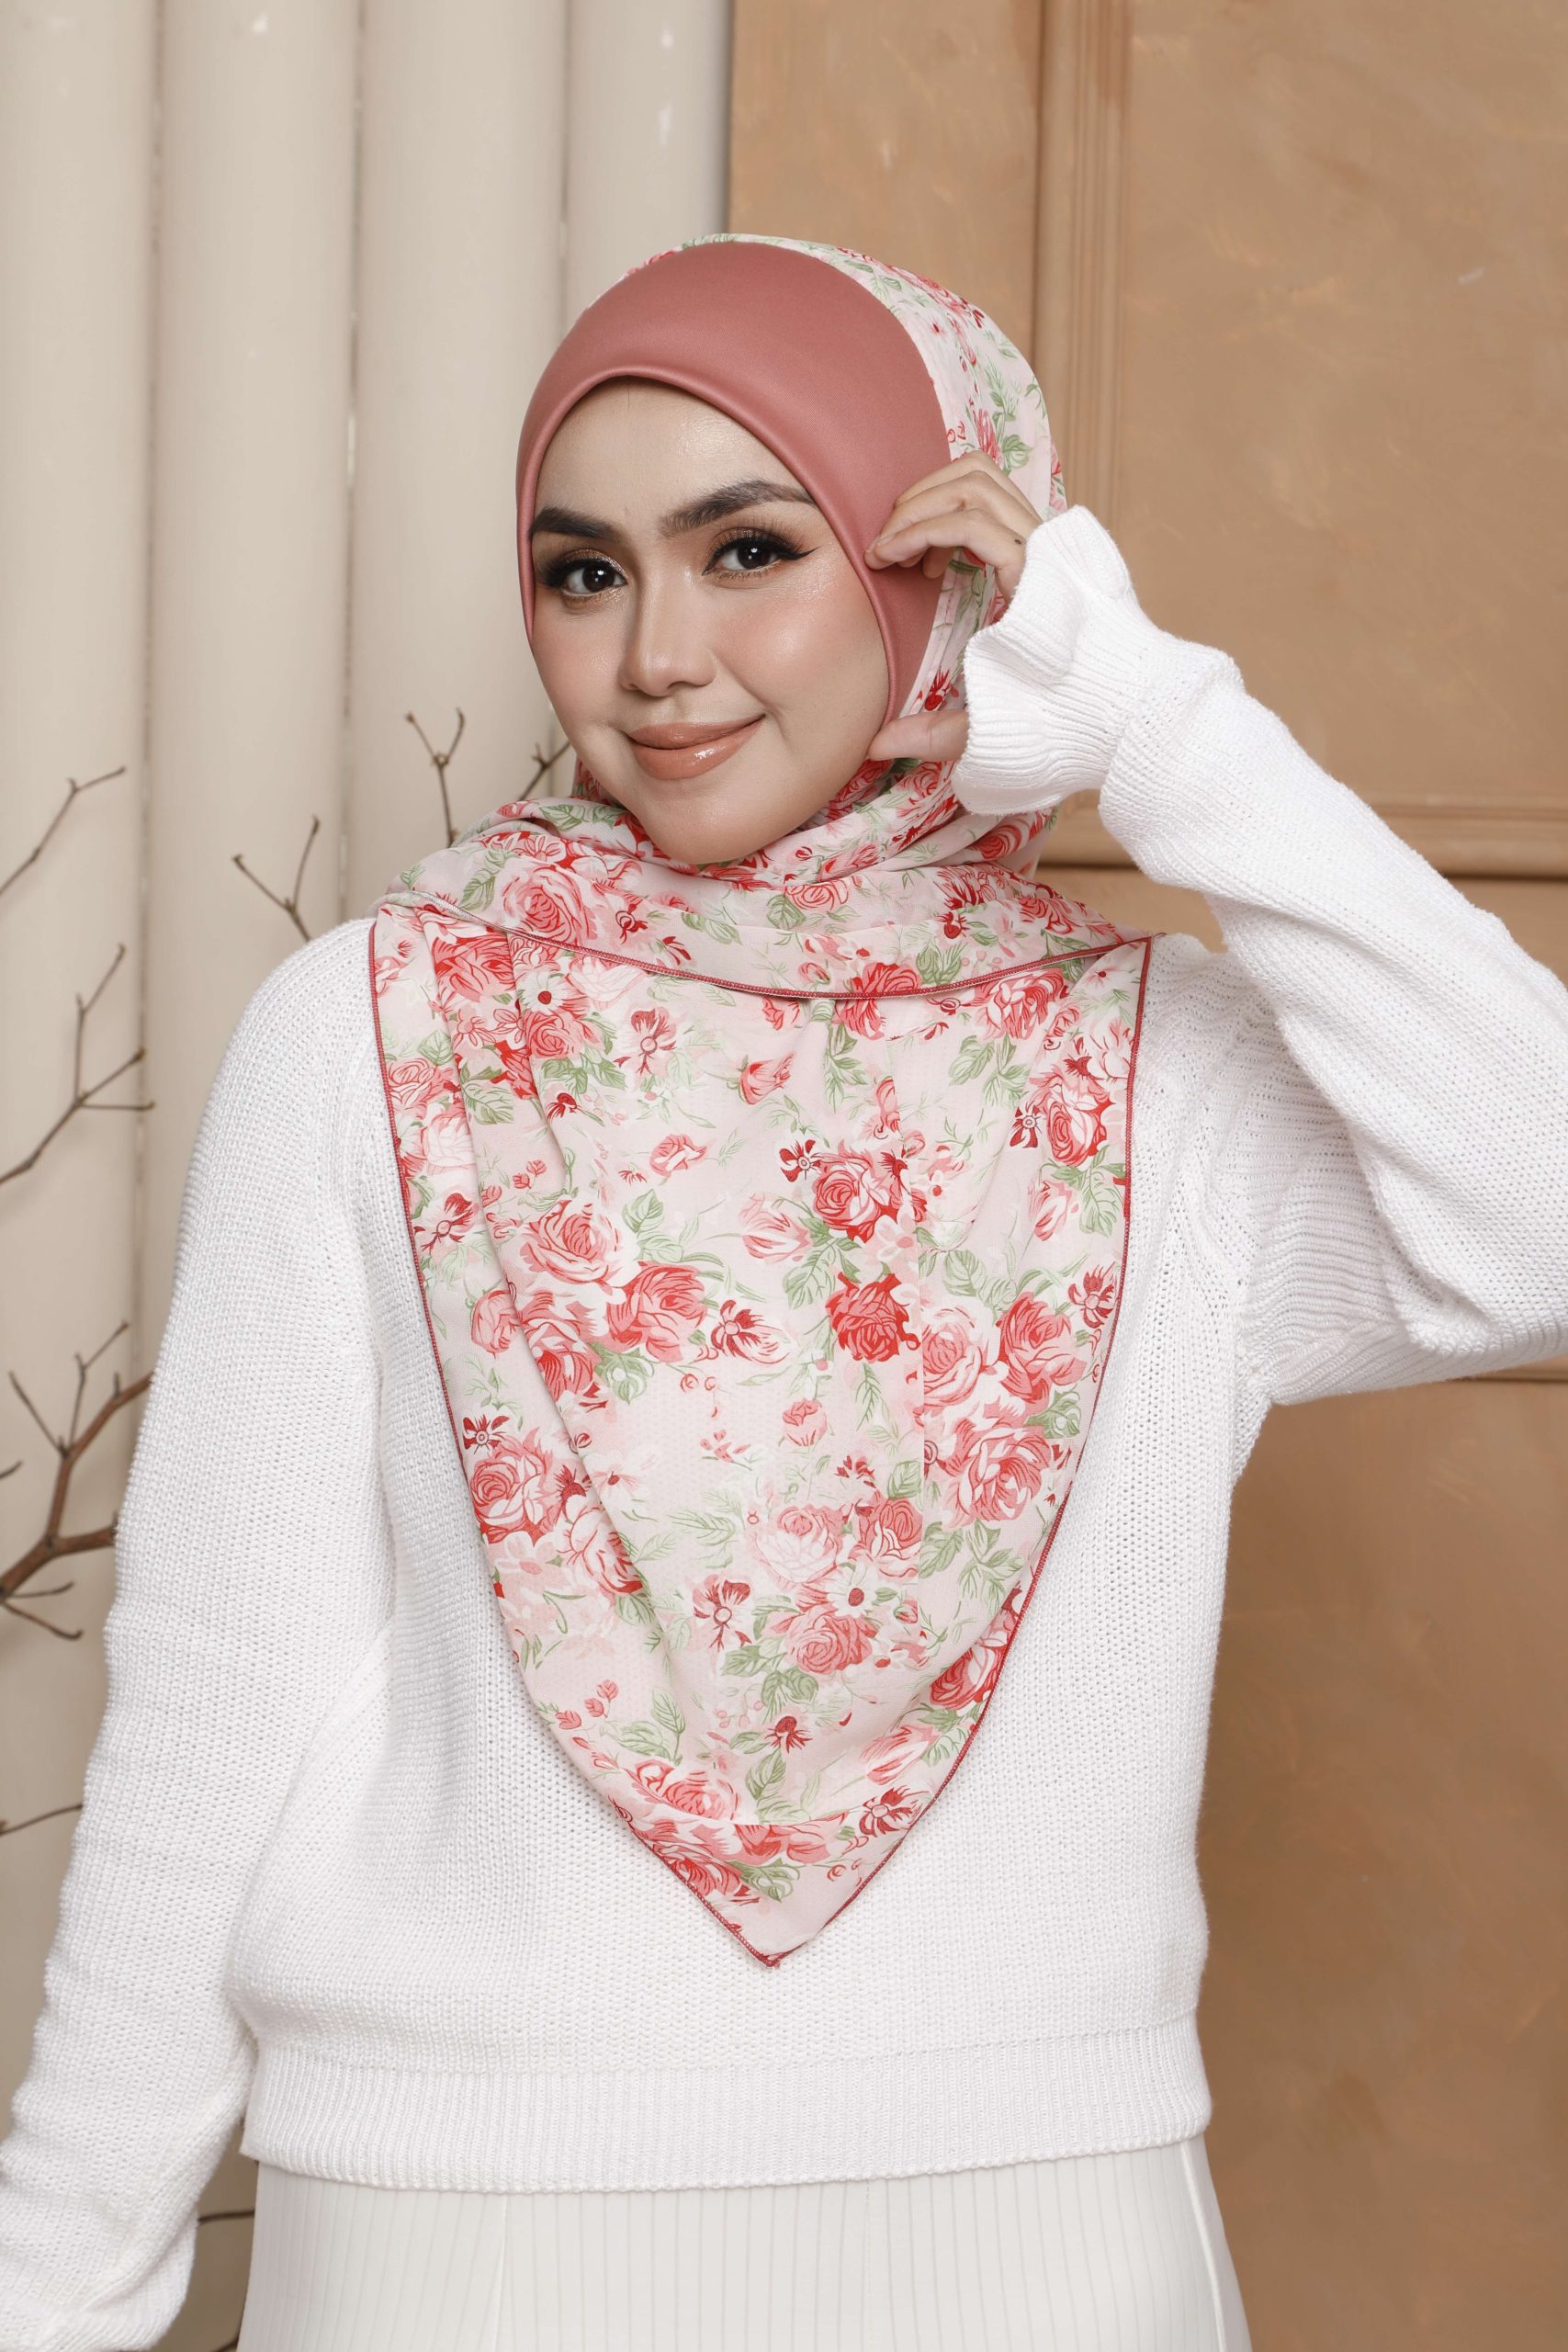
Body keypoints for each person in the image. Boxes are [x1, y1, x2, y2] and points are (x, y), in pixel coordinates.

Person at [1, 233, 1564, 2352]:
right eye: (582, 571)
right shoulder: (367, 1028)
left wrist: (1153, 720)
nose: (657, 655)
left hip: (1033, 2232)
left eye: (749, 549)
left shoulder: (1157, 1068)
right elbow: (214, 1706)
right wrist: (54, 2293)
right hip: (458, 2234)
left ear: (941, 593)